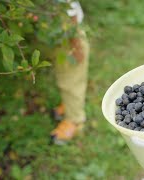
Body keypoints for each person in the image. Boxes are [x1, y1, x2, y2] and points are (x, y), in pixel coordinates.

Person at [50, 1, 89, 144]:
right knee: (64, 75)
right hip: (57, 33)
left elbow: (69, 11)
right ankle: (68, 106)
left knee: (71, 80)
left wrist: (76, 45)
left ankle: (75, 120)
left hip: (70, 37)